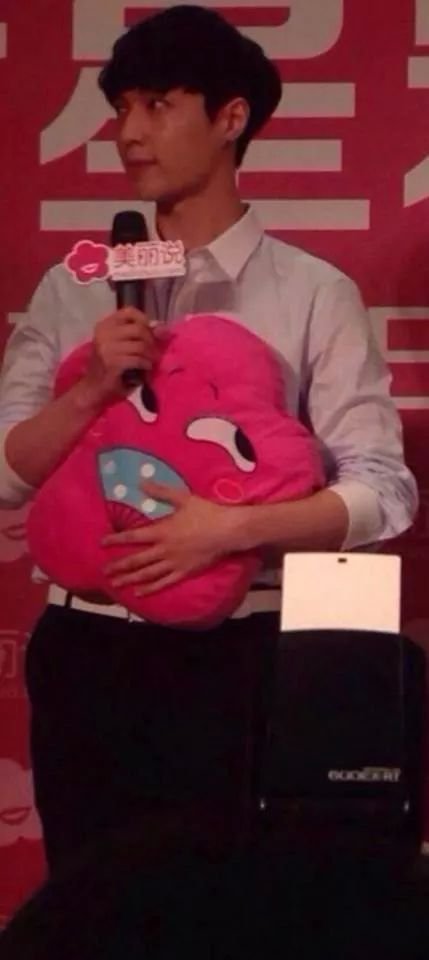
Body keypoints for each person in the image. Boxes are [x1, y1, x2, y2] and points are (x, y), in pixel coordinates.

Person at [0, 5, 417, 873]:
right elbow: (7, 475)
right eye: (120, 109)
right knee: (95, 903)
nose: (128, 133)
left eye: (157, 105)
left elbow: (383, 491)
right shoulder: (73, 288)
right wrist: (89, 390)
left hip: (244, 654)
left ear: (231, 119)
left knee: (240, 904)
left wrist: (230, 529)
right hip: (88, 652)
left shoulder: (311, 292)